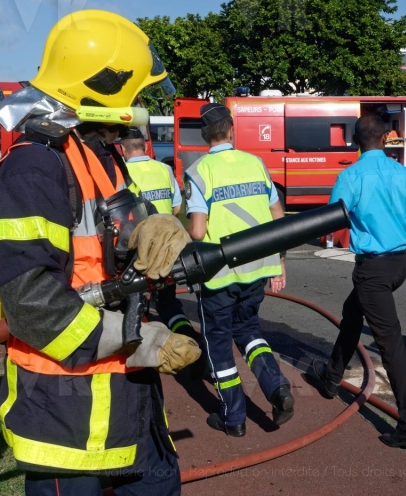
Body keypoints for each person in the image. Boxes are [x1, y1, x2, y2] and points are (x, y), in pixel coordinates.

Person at [0, 9, 200, 495]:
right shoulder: (35, 168)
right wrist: (139, 338)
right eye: (134, 93)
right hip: (68, 420)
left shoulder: (98, 154)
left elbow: (111, 239)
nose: (139, 104)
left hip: (127, 403)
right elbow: (32, 301)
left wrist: (155, 228)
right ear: (105, 89)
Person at [311, 113, 406, 449]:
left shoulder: (351, 176)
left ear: (355, 141)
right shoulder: (405, 174)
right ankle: (331, 377)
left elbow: (328, 220)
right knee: (352, 312)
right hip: (399, 264)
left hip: (373, 269)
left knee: (391, 346)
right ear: (385, 138)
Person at [184, 103, 293, 437]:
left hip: (220, 275)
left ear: (205, 135)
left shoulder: (199, 171)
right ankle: (276, 386)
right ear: (231, 129)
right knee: (249, 331)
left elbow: (198, 232)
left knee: (218, 344)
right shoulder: (256, 164)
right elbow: (279, 219)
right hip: (258, 267)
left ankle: (234, 418)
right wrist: (279, 262)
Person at [122, 131, 205, 374]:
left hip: (139, 248)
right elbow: (177, 205)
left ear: (123, 150)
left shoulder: (123, 172)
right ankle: (189, 338)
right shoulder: (163, 169)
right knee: (168, 301)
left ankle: (145, 350)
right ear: (145, 146)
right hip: (169, 247)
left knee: (134, 301)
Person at [123, 131, 182, 216]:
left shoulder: (122, 172)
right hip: (166, 227)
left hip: (140, 228)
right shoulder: (165, 168)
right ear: (146, 147)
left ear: (123, 148)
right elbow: (177, 208)